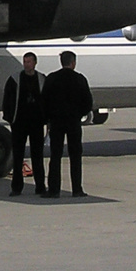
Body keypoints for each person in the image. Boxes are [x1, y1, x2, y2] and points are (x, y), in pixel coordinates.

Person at [41, 50, 92, 198]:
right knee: (75, 155)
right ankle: (77, 189)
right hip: (73, 122)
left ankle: (54, 189)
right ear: (73, 63)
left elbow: (44, 101)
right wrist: (78, 114)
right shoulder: (79, 79)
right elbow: (87, 102)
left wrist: (49, 118)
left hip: (56, 121)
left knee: (55, 156)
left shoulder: (52, 78)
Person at [2, 52, 46, 196]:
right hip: (19, 122)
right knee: (18, 156)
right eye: (25, 62)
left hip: (36, 123)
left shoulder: (41, 79)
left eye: (29, 62)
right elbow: (7, 99)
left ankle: (40, 186)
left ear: (35, 63)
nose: (27, 64)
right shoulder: (15, 79)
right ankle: (16, 187)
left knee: (37, 155)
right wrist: (10, 118)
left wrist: (46, 118)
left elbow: (47, 99)